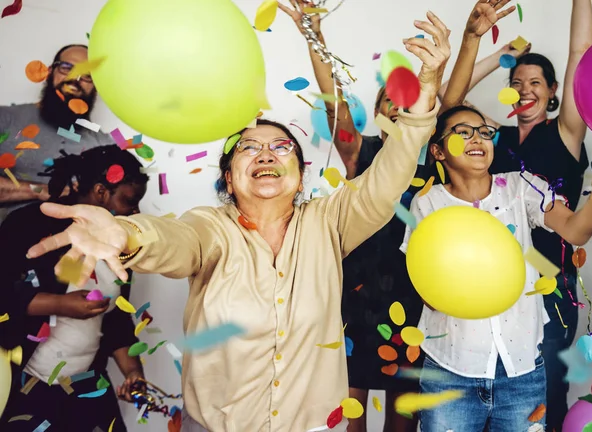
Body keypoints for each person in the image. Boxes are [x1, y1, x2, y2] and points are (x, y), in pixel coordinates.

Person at [23, 13, 450, 430]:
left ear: (300, 173)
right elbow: (175, 240)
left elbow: (388, 178)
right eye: (249, 148)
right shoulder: (210, 227)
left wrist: (425, 90)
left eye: (281, 147)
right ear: (229, 176)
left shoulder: (331, 221)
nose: (266, 153)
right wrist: (127, 232)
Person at [278, 2, 450, 430]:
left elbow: (449, 92)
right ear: (377, 112)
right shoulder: (362, 150)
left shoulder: (432, 158)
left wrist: (465, 46)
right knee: (349, 411)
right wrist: (311, 32)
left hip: (415, 292)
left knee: (403, 417)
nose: (397, 106)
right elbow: (334, 103)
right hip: (357, 293)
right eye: (388, 100)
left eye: (405, 101)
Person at [438, 1, 592, 429]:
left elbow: (581, 53)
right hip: (488, 278)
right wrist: (497, 56)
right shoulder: (492, 138)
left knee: (544, 389)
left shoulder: (564, 133)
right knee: (488, 386)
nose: (525, 89)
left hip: (548, 278)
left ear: (554, 92)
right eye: (516, 81)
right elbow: (449, 105)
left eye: (536, 83)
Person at [400, 105, 592, 432]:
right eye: (462, 132)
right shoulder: (427, 203)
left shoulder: (522, 187)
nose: (477, 138)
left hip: (523, 372)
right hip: (451, 370)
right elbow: (428, 291)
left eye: (483, 131)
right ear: (437, 151)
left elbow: (576, 231)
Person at [0, 145, 149, 431]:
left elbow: (116, 319)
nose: (136, 211)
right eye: (130, 201)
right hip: (28, 383)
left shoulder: (120, 245)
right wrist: (60, 304)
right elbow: (4, 294)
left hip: (87, 384)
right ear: (101, 191)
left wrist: (133, 373)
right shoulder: (27, 225)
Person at [0, 44, 114, 222]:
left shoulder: (104, 144)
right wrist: (41, 190)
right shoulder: (6, 119)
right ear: (50, 72)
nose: (76, 79)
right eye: (67, 67)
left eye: (87, 75)